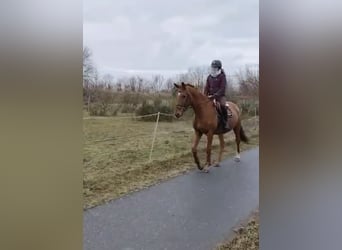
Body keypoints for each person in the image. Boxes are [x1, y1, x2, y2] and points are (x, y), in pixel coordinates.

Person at [204, 60, 231, 129]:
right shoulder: (209, 77)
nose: (213, 69)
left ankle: (226, 122)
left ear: (219, 68)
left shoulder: (222, 76)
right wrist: (204, 96)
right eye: (212, 67)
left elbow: (222, 88)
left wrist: (214, 96)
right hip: (210, 96)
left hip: (220, 96)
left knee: (222, 105)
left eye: (215, 68)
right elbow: (206, 87)